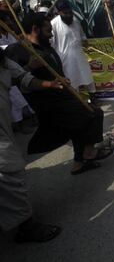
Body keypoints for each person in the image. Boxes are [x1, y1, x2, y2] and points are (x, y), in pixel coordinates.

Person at [5, 13, 109, 175]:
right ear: (35, 29)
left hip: (62, 95)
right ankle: (88, 153)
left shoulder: (46, 47)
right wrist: (30, 67)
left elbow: (56, 70)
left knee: (80, 123)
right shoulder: (17, 51)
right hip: (47, 102)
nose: (52, 34)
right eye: (48, 31)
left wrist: (63, 79)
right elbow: (10, 80)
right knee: (92, 113)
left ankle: (79, 162)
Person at [0, 48, 62, 242]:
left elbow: (24, 78)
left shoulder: (3, 61)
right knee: (7, 172)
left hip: (3, 125)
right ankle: (26, 226)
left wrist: (50, 83)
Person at [51, 0, 96, 98]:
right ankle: (79, 102)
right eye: (65, 13)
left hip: (80, 56)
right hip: (65, 59)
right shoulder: (54, 24)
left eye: (70, 12)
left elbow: (82, 35)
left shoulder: (75, 20)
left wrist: (85, 41)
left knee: (87, 77)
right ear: (59, 12)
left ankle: (93, 98)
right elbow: (52, 44)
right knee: (72, 81)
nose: (68, 15)